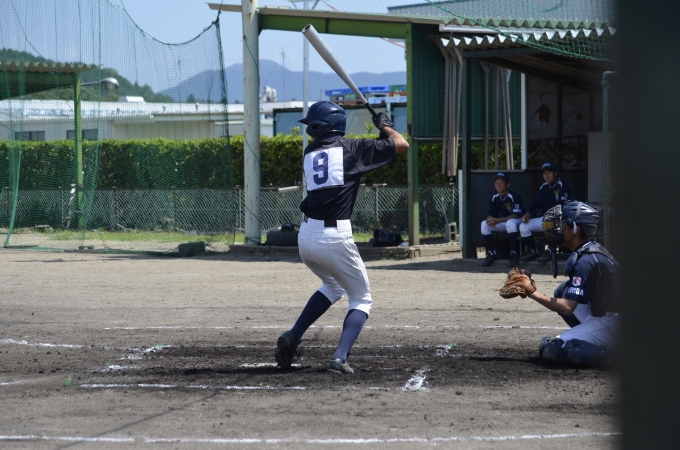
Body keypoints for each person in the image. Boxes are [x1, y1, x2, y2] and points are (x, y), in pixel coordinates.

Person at [274, 101, 409, 374]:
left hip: (306, 237)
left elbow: (361, 155)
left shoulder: (310, 152)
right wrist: (385, 127)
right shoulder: (352, 149)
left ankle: (294, 334)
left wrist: (381, 136)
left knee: (334, 286)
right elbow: (401, 144)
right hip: (334, 237)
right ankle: (339, 358)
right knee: (362, 298)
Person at [526, 201, 620, 367]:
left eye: (562, 223)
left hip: (616, 323)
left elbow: (567, 307)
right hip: (610, 315)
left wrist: (531, 292)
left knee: (555, 349)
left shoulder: (586, 260)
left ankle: (617, 356)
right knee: (563, 291)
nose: (557, 227)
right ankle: (593, 337)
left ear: (576, 228)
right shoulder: (590, 250)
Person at [519, 162, 571, 263]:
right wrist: (528, 212)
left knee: (550, 220)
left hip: (560, 220)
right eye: (544, 173)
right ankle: (533, 251)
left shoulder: (562, 185)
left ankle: (551, 250)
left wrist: (553, 215)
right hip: (546, 218)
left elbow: (564, 206)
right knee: (523, 226)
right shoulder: (544, 187)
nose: (547, 175)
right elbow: (536, 202)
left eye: (549, 172)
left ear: (556, 173)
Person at [480, 172, 524, 267]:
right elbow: (490, 213)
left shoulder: (514, 195)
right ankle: (492, 253)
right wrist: (489, 219)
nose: (498, 185)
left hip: (519, 221)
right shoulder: (495, 197)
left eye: (501, 182)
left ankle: (514, 253)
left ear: (508, 184)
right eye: (496, 183)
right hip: (506, 221)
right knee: (484, 224)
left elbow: (515, 215)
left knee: (510, 223)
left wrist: (498, 220)